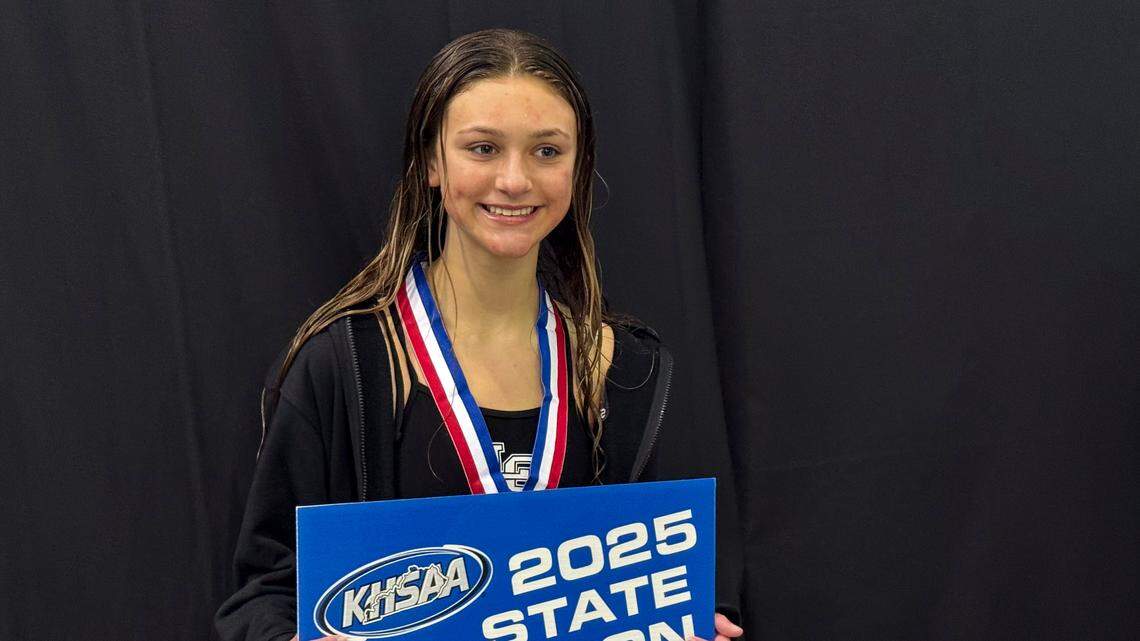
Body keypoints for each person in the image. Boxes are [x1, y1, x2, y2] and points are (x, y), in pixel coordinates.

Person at [214, 28, 744, 641]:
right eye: (483, 148)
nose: (515, 180)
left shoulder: (624, 368)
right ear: (432, 163)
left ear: (578, 169)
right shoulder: (346, 366)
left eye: (547, 151)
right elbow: (264, 594)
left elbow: (670, 577)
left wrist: (691, 624)